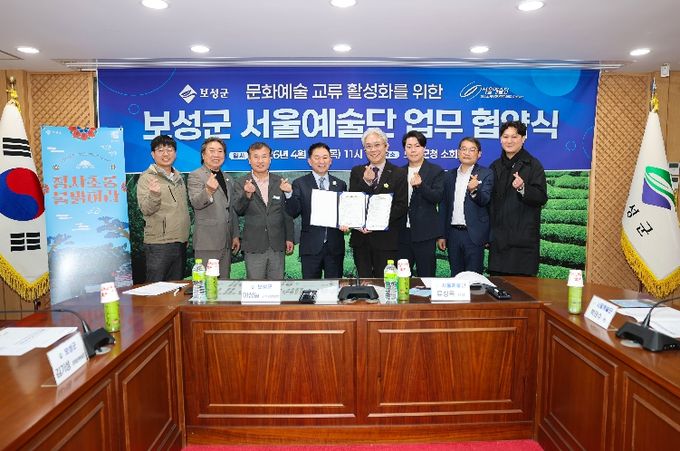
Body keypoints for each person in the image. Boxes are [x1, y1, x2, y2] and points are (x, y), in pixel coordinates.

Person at [488, 120, 548, 276]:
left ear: (523, 138)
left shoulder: (533, 165)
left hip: (523, 242)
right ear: (500, 139)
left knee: (522, 288)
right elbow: (489, 203)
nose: (509, 141)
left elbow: (541, 197)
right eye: (505, 136)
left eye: (514, 137)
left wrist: (523, 188)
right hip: (498, 243)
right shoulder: (494, 166)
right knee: (498, 286)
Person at [281, 143, 347, 279]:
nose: (321, 161)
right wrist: (288, 193)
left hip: (335, 247)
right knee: (310, 287)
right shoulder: (300, 183)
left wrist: (347, 222)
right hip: (310, 247)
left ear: (330, 160)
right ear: (309, 161)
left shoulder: (340, 184)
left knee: (334, 287)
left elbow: (345, 211)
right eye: (317, 158)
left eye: (325, 157)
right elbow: (293, 211)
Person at [348, 128, 408, 278]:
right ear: (364, 150)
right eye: (368, 146)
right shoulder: (357, 172)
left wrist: (375, 223)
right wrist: (366, 182)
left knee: (385, 283)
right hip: (361, 240)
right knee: (364, 283)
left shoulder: (399, 173)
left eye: (377, 145)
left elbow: (401, 206)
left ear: (386, 146)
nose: (373, 150)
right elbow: (353, 203)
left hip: (386, 241)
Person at [233, 142, 294, 279]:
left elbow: (286, 213)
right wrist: (247, 195)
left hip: (277, 244)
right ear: (249, 160)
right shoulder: (241, 182)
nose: (260, 161)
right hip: (254, 245)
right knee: (255, 287)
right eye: (256, 157)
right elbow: (238, 209)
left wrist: (289, 237)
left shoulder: (280, 182)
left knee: (277, 286)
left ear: (270, 159)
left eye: (264, 156)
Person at [137, 135, 190, 282]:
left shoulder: (179, 177)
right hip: (159, 244)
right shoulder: (147, 178)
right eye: (160, 150)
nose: (165, 154)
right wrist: (154, 194)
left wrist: (185, 236)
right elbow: (146, 209)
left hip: (180, 242)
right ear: (153, 154)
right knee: (156, 287)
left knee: (176, 287)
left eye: (169, 150)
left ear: (175, 153)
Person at [437, 137, 494, 276]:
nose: (467, 153)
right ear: (458, 152)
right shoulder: (448, 176)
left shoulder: (486, 173)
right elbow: (443, 206)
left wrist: (474, 190)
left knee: (474, 277)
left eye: (472, 150)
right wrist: (442, 235)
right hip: (453, 234)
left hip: (474, 234)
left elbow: (485, 200)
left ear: (479, 154)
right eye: (463, 149)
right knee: (456, 275)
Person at [187, 137, 240, 279]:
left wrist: (235, 235)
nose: (216, 155)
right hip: (207, 243)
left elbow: (231, 209)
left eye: (220, 151)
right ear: (203, 155)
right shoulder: (196, 175)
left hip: (226, 242)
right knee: (207, 285)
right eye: (212, 151)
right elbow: (195, 202)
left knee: (224, 284)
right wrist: (208, 190)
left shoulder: (228, 178)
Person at [397, 130, 444, 277]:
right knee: (402, 278)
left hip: (425, 234)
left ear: (424, 148)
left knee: (427, 276)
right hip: (402, 234)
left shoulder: (435, 171)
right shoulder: (399, 172)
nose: (413, 150)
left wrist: (421, 186)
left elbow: (437, 197)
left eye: (417, 146)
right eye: (409, 146)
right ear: (404, 150)